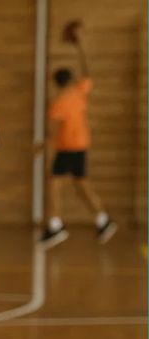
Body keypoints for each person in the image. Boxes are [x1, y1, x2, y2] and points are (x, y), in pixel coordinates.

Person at [41, 21, 117, 247]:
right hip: (81, 146)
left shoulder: (58, 104)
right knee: (82, 185)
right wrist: (79, 45)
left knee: (54, 185)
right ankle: (103, 219)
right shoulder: (78, 93)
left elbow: (52, 132)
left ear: (56, 82)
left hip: (66, 148)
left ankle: (55, 226)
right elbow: (88, 72)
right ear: (70, 81)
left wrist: (42, 147)